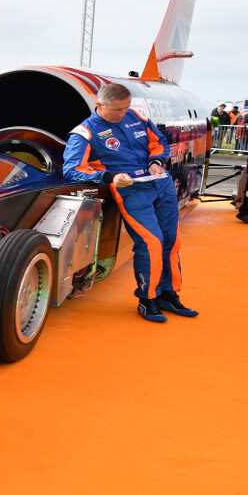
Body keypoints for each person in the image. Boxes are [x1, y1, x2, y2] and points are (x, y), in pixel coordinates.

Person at [63, 82, 198, 323]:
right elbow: (72, 170)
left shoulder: (136, 116)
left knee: (171, 240)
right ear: (99, 106)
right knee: (151, 242)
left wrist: (156, 161)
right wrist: (109, 177)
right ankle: (148, 299)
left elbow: (159, 143)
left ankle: (169, 294)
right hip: (132, 191)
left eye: (125, 108)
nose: (122, 114)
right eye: (117, 110)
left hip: (160, 184)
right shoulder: (84, 132)